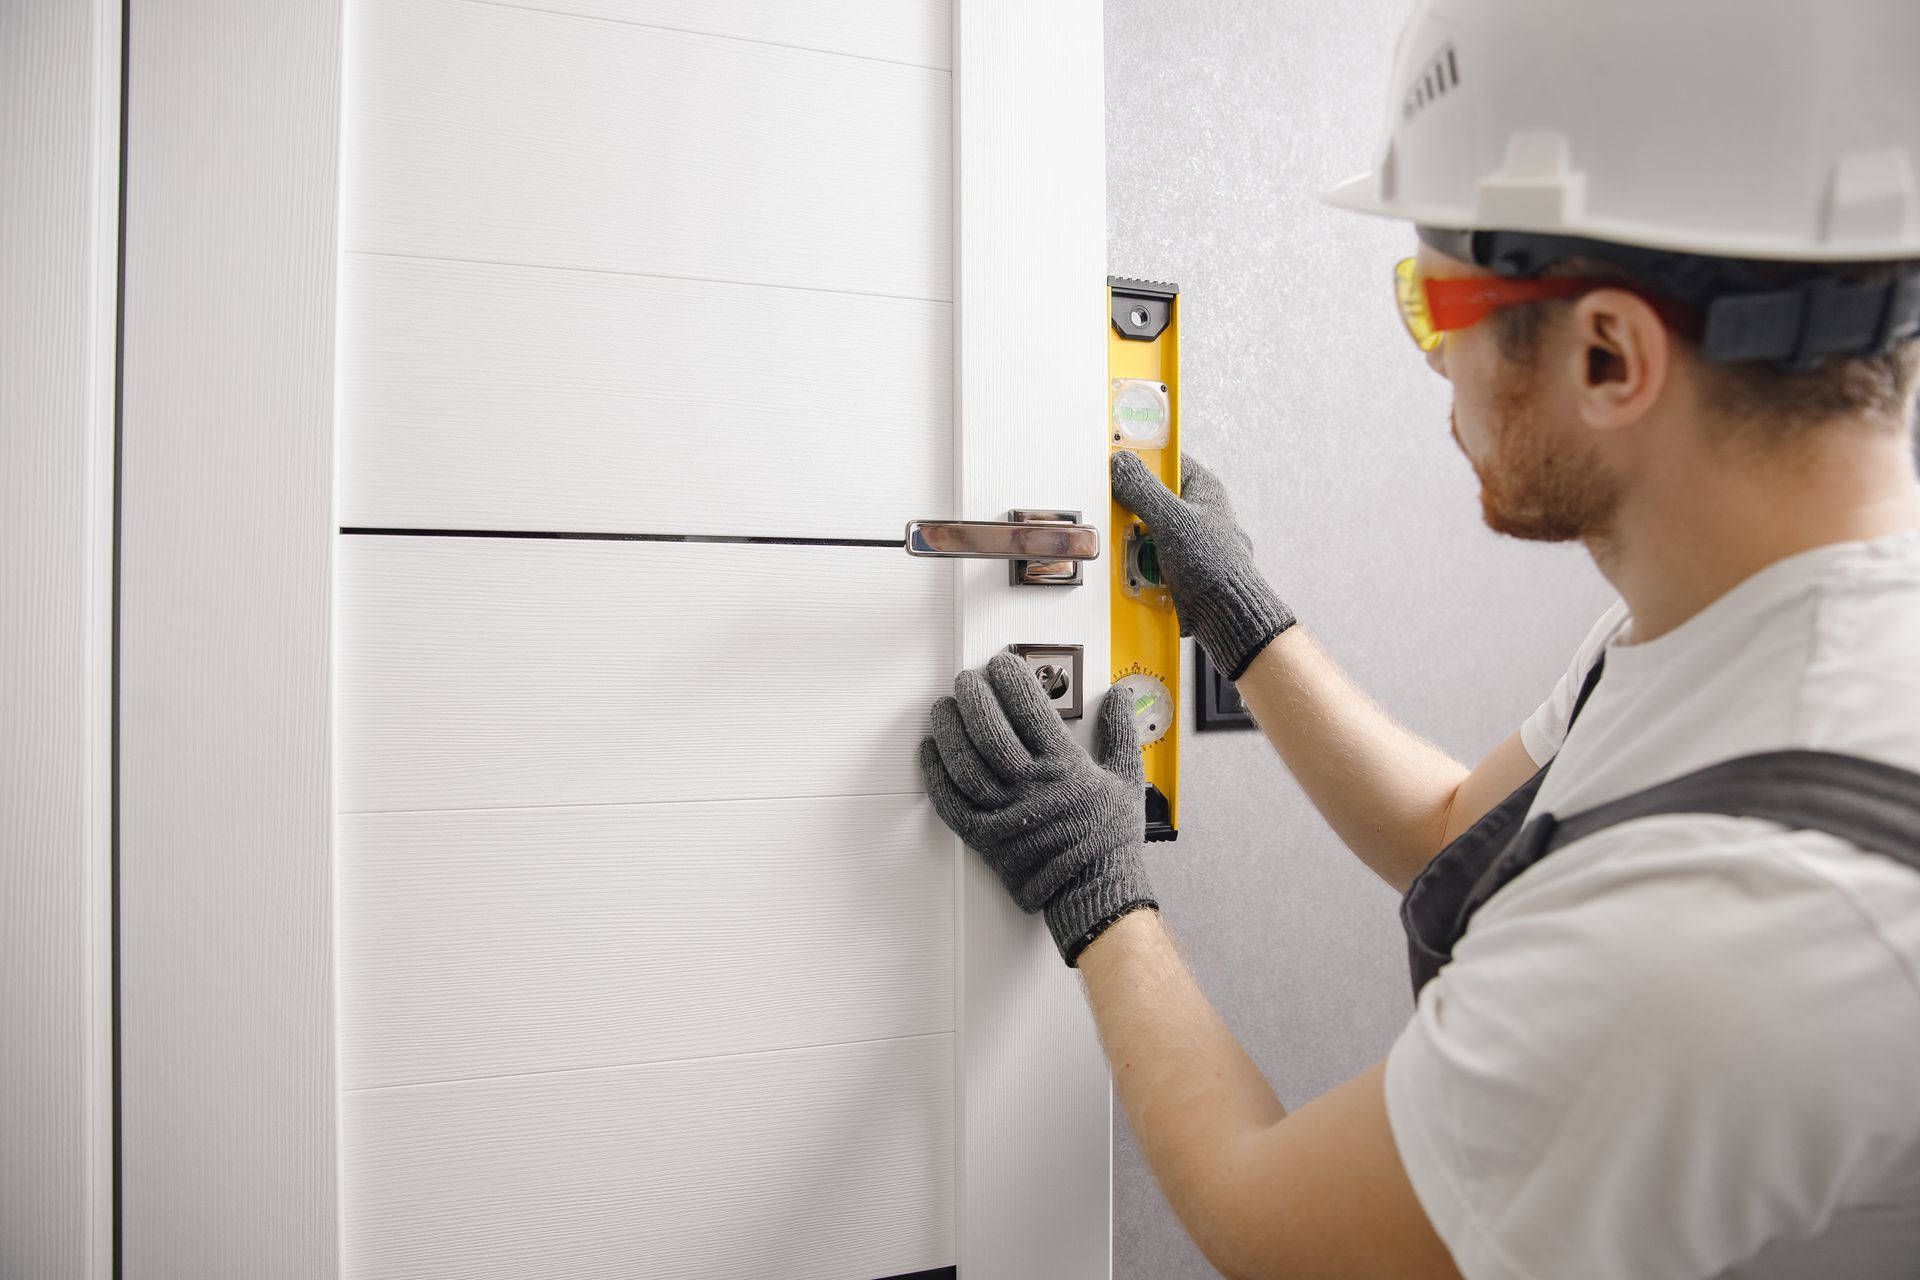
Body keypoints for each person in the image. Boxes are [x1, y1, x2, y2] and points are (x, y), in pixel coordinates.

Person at [917, 0, 1920, 1275]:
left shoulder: (1737, 920)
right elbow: (1455, 826)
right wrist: (1245, 617)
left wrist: (1093, 883)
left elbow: (1271, 1219)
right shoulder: (1742, 625)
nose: (1435, 360)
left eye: (1435, 298)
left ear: (1610, 354)